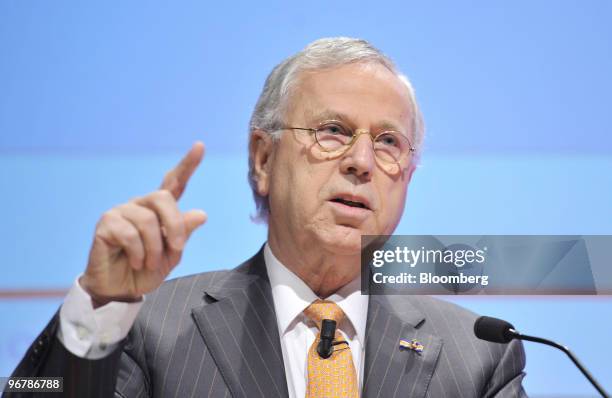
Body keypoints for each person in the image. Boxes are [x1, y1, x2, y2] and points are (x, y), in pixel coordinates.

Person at [6, 37, 527, 397]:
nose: (361, 162)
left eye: (388, 142)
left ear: (407, 177)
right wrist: (101, 306)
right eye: (332, 131)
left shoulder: (480, 356)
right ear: (263, 159)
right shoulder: (149, 328)